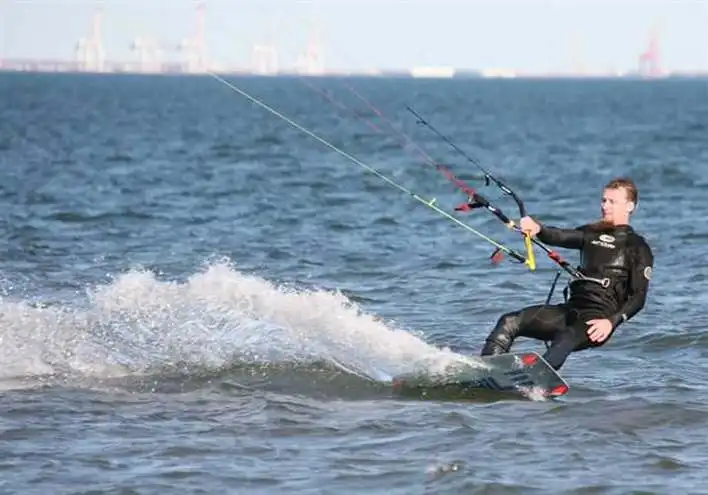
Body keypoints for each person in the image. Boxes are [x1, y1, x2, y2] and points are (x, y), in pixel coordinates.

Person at [480, 177, 654, 371]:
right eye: (604, 200)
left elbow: (639, 297)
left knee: (566, 337)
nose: (605, 206)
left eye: (612, 202)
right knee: (509, 321)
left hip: (596, 321)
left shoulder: (637, 247)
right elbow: (560, 235)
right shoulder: (591, 233)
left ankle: (536, 378)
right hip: (569, 310)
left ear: (629, 206)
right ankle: (488, 371)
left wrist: (611, 322)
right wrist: (538, 229)